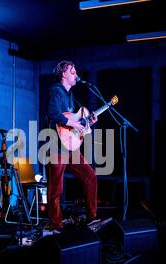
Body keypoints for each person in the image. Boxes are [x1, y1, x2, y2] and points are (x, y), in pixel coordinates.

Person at [46, 61, 100, 232]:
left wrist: (87, 122)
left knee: (90, 175)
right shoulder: (56, 90)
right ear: (64, 74)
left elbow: (75, 121)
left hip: (70, 146)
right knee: (56, 187)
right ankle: (57, 224)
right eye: (72, 71)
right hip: (56, 146)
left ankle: (92, 217)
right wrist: (75, 125)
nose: (76, 74)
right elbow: (53, 114)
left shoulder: (71, 96)